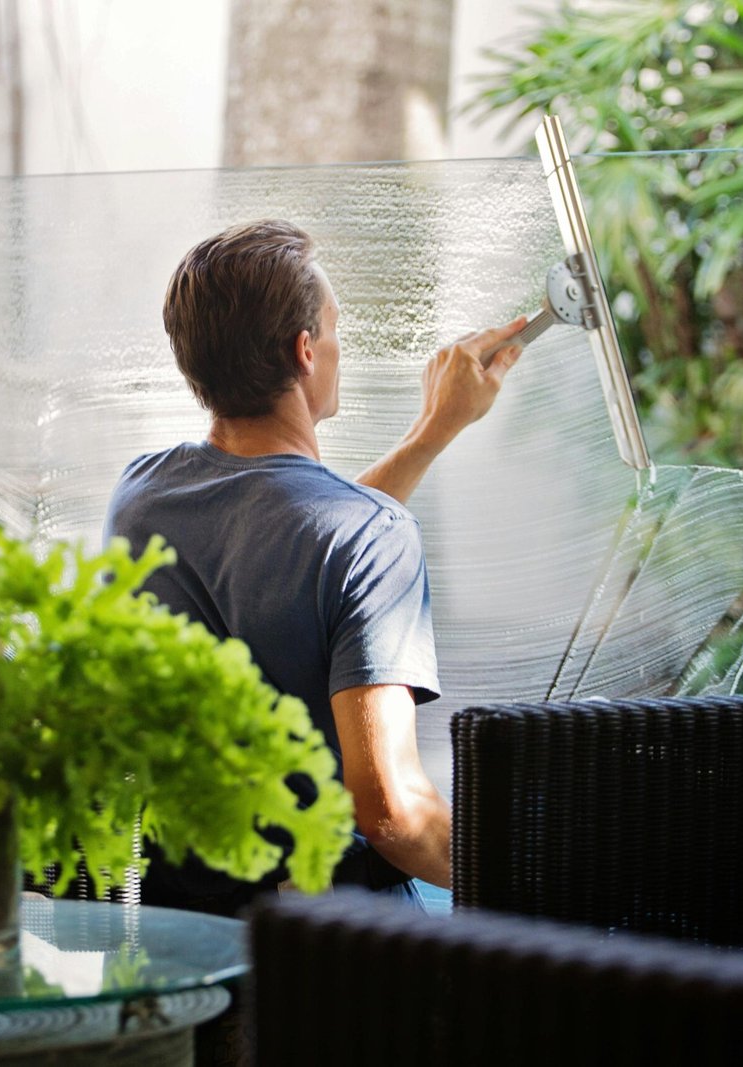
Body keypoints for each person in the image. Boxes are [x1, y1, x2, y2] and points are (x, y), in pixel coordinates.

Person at [103, 219, 526, 914]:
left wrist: (432, 432)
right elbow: (391, 813)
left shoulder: (140, 497)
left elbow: (289, 535)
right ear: (305, 351)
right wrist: (546, 868)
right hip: (328, 948)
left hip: (182, 926)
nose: (337, 347)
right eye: (334, 330)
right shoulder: (368, 535)